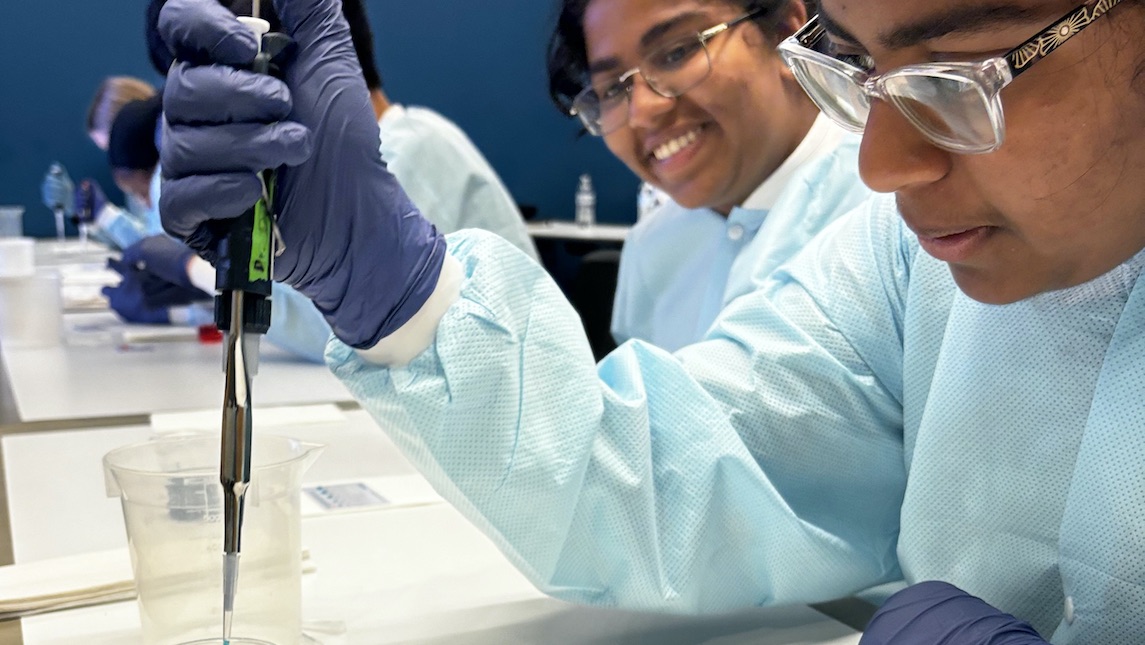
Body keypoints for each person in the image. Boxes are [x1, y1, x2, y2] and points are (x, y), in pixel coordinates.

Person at [157, 0, 1145, 642]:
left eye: (950, 75)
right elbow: (678, 472)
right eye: (856, 72)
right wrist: (394, 293)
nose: (879, 166)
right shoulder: (901, 260)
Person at [126, 0, 537, 361]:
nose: (214, 128)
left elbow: (330, 332)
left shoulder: (412, 149)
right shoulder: (328, 170)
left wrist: (192, 269)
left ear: (273, 60)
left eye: (218, 93)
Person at [548, 0, 870, 351]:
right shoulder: (651, 251)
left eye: (677, 52)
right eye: (612, 89)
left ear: (787, 35)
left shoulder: (890, 211)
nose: (642, 112)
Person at [40, 78, 163, 250]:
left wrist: (104, 214)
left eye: (113, 147)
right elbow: (136, 240)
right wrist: (78, 210)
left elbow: (159, 248)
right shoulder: (142, 173)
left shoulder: (161, 173)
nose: (116, 159)